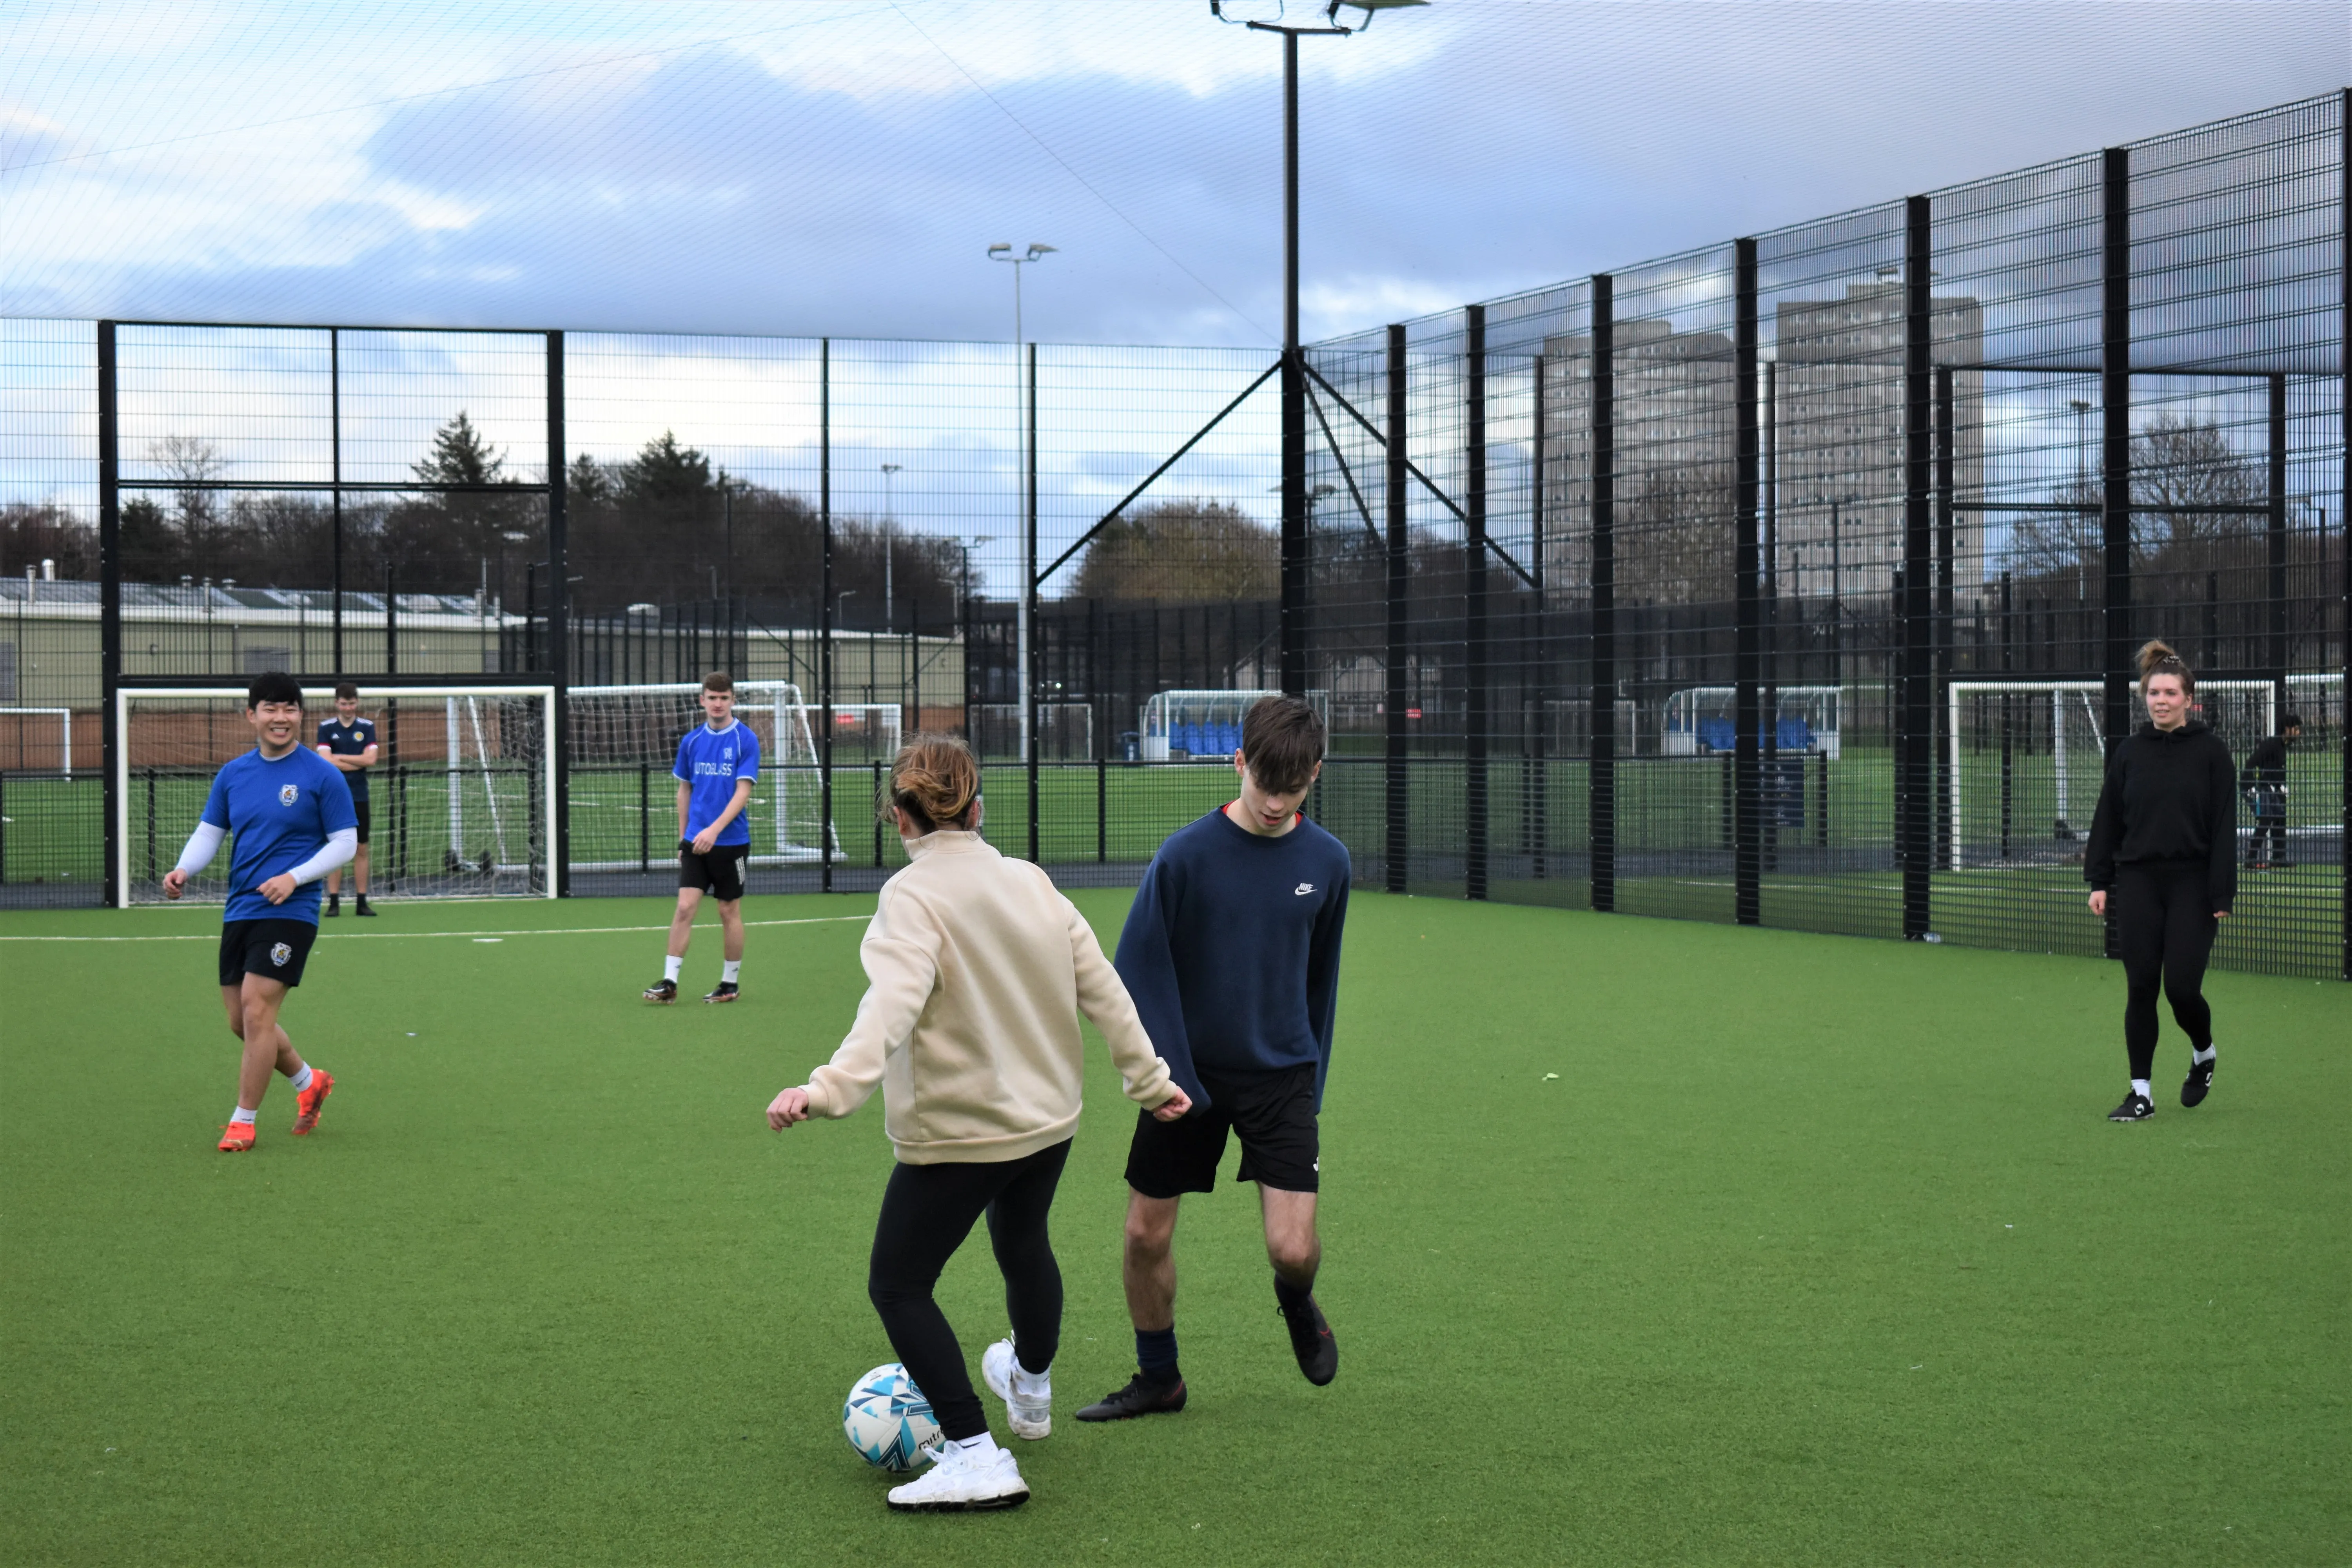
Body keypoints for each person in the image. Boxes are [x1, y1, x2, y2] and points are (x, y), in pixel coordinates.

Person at [767, 737, 1190, 1513]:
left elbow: (888, 1006)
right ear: (978, 808)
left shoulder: (912, 895)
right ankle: (1029, 1389)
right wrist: (1149, 1079)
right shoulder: (1030, 881)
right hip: (1049, 1124)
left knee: (897, 1283)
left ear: (899, 817)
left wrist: (827, 1089)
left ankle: (972, 1450)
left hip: (963, 1135)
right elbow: (1104, 987)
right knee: (1023, 1241)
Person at [1078, 695, 1351, 1423]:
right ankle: (1159, 1377)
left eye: (1291, 788)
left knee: (1292, 1250)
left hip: (1282, 1078)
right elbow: (1136, 968)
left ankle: (1296, 1299)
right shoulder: (1184, 858)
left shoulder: (1328, 863)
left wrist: (1312, 1082)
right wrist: (1165, 1075)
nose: (1274, 801)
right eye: (1264, 782)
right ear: (1239, 763)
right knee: (1144, 1234)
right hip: (1185, 1077)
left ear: (1314, 777)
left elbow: (1320, 977)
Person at [162, 672, 356, 1152]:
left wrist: (296, 877)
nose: (281, 718)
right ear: (252, 715)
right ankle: (310, 1081)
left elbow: (346, 843)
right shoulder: (233, 774)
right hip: (241, 909)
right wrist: (184, 869)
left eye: (290, 708)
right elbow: (210, 832)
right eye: (271, 708)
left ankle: (242, 1121)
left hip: (293, 909)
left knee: (257, 1008)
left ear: (300, 715)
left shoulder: (321, 774)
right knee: (242, 1022)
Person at [2085, 640, 2236, 1123]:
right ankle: (2140, 1093)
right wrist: (2100, 880)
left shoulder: (2212, 753)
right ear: (2144, 697)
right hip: (2139, 883)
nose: (2161, 700)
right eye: (2154, 693)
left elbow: (2223, 828)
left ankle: (2203, 1052)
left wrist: (2221, 892)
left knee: (2183, 990)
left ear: (2189, 700)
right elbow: (2108, 819)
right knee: (2141, 987)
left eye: (2171, 693)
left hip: (2193, 884)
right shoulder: (2129, 752)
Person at [644, 673, 759, 1004]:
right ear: (702, 700)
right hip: (696, 843)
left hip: (731, 843)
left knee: (728, 910)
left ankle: (730, 983)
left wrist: (714, 831)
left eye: (724, 698)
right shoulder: (692, 742)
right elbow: (684, 791)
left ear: (732, 700)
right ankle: (669, 981)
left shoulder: (745, 739)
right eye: (712, 697)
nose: (718, 704)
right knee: (684, 908)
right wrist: (685, 838)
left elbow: (743, 792)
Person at [316, 682, 379, 916]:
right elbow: (325, 761)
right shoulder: (326, 728)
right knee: (335, 848)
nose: (348, 708)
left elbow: (371, 760)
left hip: (360, 796)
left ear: (357, 703)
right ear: (336, 704)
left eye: (352, 703)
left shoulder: (367, 727)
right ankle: (334, 902)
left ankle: (362, 902)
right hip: (333, 797)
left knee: (361, 848)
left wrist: (339, 757)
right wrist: (356, 760)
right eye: (344, 703)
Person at [2240, 713, 2300, 870]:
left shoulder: (2281, 746)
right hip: (2253, 787)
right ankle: (2250, 859)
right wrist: (2252, 787)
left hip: (2268, 788)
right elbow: (2252, 763)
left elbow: (2272, 770)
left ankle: (2278, 857)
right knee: (2267, 819)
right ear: (2288, 729)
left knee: (2279, 816)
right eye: (2297, 729)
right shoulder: (2272, 745)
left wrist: (2280, 787)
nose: (2299, 733)